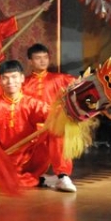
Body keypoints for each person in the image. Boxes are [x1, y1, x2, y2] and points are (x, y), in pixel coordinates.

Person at [0, 60, 76, 192]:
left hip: (30, 158)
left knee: (56, 129)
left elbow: (54, 115)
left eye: (14, 77)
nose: (10, 82)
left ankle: (63, 175)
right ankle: (42, 180)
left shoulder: (32, 104)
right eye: (5, 78)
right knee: (1, 181)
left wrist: (69, 109)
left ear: (22, 78)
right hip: (3, 160)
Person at [23, 42, 78, 190]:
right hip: (33, 129)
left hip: (54, 124)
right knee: (27, 170)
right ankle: (44, 179)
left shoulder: (60, 79)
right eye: (38, 58)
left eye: (45, 57)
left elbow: (80, 87)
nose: (42, 61)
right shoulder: (24, 83)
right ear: (30, 61)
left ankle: (63, 175)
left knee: (58, 135)